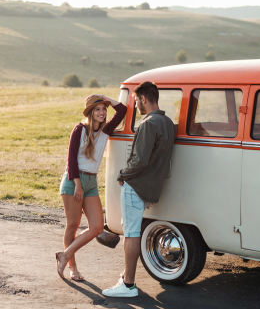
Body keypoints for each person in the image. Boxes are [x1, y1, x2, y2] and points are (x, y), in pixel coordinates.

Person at [102, 81, 175, 297]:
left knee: (131, 234)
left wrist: (122, 175)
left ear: (143, 98)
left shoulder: (147, 124)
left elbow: (140, 161)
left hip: (135, 187)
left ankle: (128, 285)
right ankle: (126, 278)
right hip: (151, 188)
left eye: (136, 100)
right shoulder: (168, 123)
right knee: (132, 232)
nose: (136, 105)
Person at [55, 94, 127, 280]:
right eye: (97, 109)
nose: (102, 112)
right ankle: (72, 268)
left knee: (96, 227)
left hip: (91, 183)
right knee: (73, 225)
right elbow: (71, 160)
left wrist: (104, 98)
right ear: (90, 112)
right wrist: (77, 185)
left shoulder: (106, 130)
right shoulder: (79, 129)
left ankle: (64, 255)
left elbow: (122, 110)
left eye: (104, 109)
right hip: (74, 181)